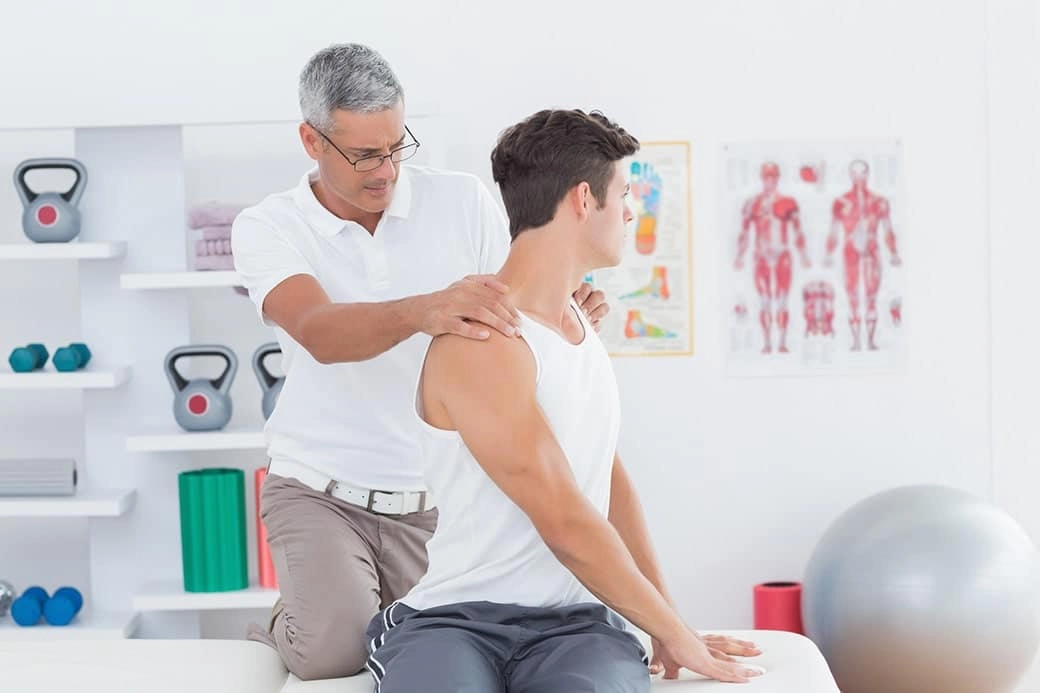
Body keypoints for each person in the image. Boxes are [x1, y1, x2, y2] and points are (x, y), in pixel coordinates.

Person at [231, 43, 609, 680]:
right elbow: (319, 332)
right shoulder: (268, 225)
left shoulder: (462, 202)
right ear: (311, 140)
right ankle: (286, 619)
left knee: (436, 637)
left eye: (397, 145)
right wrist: (424, 309)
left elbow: (524, 298)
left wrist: (570, 307)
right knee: (334, 654)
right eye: (365, 155)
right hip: (320, 489)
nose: (386, 170)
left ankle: (338, 602)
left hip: (436, 498)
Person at [363, 108, 764, 692]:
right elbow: (564, 516)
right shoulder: (483, 339)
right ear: (582, 200)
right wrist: (674, 630)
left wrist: (667, 626)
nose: (630, 210)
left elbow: (605, 483)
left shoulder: (577, 324)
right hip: (455, 623)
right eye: (623, 193)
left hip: (577, 630)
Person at [824, 159, 902, 351]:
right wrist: (828, 253)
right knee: (851, 295)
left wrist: (893, 252)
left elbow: (887, 229)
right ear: (850, 175)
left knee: (871, 295)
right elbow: (834, 231)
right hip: (850, 250)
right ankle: (856, 341)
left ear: (868, 174)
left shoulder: (879, 202)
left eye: (863, 173)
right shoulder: (841, 202)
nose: (859, 177)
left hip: (872, 250)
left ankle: (871, 340)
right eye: (855, 173)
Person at [734, 162, 811, 354]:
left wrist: (803, 256)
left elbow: (798, 230)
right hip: (761, 256)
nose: (770, 181)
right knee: (765, 300)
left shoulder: (788, 202)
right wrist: (739, 256)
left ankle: (783, 342)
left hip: (782, 255)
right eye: (767, 177)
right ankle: (767, 343)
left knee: (783, 300)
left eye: (774, 177)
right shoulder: (752, 203)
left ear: (778, 178)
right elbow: (744, 232)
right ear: (762, 178)